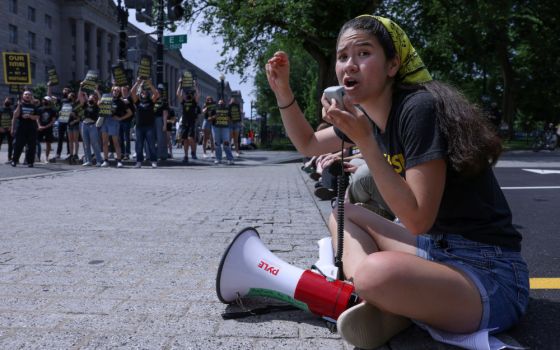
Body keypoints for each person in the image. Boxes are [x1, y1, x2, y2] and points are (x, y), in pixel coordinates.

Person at [265, 15, 528, 350]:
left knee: (375, 273)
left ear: (393, 65)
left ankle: (384, 296)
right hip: (439, 251)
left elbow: (418, 219)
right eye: (343, 56)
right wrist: (283, 92)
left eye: (363, 53)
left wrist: (368, 144)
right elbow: (308, 145)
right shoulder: (370, 117)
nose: (350, 65)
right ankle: (384, 301)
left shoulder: (418, 109)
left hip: (491, 276)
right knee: (343, 213)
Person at [130, 78, 159, 168]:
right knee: (139, 145)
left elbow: (156, 94)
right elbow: (132, 92)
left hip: (149, 126)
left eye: (146, 92)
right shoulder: (138, 102)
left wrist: (150, 84)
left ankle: (153, 161)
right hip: (139, 127)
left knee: (151, 145)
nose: (144, 93)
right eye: (142, 92)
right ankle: (139, 161)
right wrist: (137, 83)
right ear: (140, 94)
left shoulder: (151, 101)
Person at [99, 86, 131, 168]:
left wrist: (120, 118)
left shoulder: (120, 101)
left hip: (114, 121)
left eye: (117, 91)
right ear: (112, 91)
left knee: (116, 142)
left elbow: (129, 113)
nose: (116, 92)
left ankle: (119, 160)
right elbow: (99, 104)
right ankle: (106, 160)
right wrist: (99, 101)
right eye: (114, 90)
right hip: (105, 120)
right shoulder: (107, 98)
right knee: (104, 142)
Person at [11, 91, 39, 167]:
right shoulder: (18, 105)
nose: (27, 96)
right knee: (18, 145)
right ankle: (14, 161)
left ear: (31, 97)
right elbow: (15, 115)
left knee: (31, 146)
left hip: (31, 129)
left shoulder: (33, 106)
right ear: (23, 96)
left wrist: (30, 116)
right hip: (21, 128)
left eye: (29, 94)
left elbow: (37, 117)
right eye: (26, 94)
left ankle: (30, 162)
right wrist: (19, 105)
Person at [176, 86, 200, 163]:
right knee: (185, 140)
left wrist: (195, 85)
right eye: (187, 94)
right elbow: (178, 94)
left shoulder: (194, 102)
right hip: (184, 123)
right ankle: (186, 156)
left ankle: (193, 152)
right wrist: (180, 84)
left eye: (190, 94)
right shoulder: (183, 102)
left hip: (192, 123)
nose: (188, 95)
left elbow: (198, 95)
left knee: (190, 138)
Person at [212, 99, 234, 165]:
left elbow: (231, 119)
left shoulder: (227, 110)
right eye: (219, 103)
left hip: (225, 128)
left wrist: (227, 117)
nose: (221, 104)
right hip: (216, 127)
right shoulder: (214, 109)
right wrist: (214, 116)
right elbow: (209, 118)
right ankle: (218, 159)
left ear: (224, 104)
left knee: (226, 143)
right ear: (217, 104)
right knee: (217, 144)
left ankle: (230, 159)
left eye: (222, 103)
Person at [36, 96, 57, 163]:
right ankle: (37, 157)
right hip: (40, 128)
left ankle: (46, 158)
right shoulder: (39, 109)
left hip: (48, 128)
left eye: (46, 100)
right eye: (44, 100)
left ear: (49, 102)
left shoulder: (52, 110)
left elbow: (53, 121)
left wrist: (45, 127)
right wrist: (39, 126)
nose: (45, 101)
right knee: (36, 142)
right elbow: (37, 118)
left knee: (48, 143)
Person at [0, 97, 15, 163]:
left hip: (9, 129)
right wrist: (0, 127)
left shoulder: (12, 110)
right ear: (4, 101)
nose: (8, 101)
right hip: (1, 129)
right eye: (7, 100)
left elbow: (13, 120)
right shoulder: (0, 109)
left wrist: (11, 127)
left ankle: (9, 158)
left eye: (9, 101)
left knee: (10, 144)